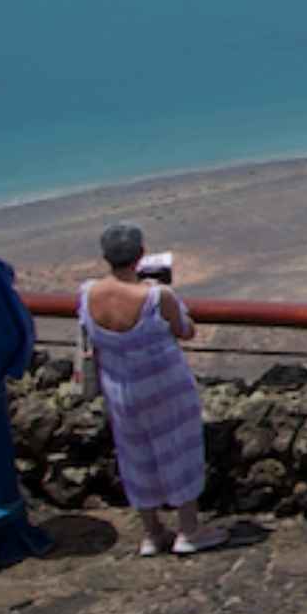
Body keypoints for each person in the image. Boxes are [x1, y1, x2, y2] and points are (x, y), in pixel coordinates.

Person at [75, 228, 237, 560]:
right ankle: (189, 530)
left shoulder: (87, 293)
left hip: (120, 389)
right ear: (141, 256)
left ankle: (152, 533)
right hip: (165, 388)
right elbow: (185, 330)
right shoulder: (156, 296)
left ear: (106, 257)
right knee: (179, 450)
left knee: (135, 455)